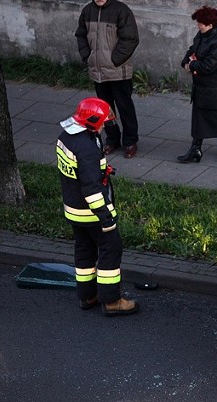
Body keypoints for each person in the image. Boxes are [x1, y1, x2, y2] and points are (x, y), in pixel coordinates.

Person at [56, 97, 139, 316]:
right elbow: (92, 189)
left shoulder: (66, 137)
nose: (104, 126)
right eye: (102, 122)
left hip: (73, 210)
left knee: (84, 252)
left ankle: (87, 296)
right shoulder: (86, 148)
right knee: (110, 250)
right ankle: (111, 301)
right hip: (92, 212)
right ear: (92, 121)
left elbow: (76, 174)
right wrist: (106, 217)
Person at [76, 0, 140, 159]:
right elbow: (81, 35)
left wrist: (114, 60)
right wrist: (87, 57)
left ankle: (130, 141)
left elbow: (131, 39)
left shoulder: (121, 10)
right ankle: (112, 139)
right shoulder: (87, 11)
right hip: (97, 71)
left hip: (118, 71)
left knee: (125, 107)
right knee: (104, 110)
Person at [176, 5, 217, 164]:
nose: (198, 26)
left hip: (214, 89)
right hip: (201, 87)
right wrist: (186, 61)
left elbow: (209, 66)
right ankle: (195, 149)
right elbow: (192, 50)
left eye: (200, 24)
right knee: (198, 118)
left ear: (210, 25)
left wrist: (191, 65)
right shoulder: (202, 35)